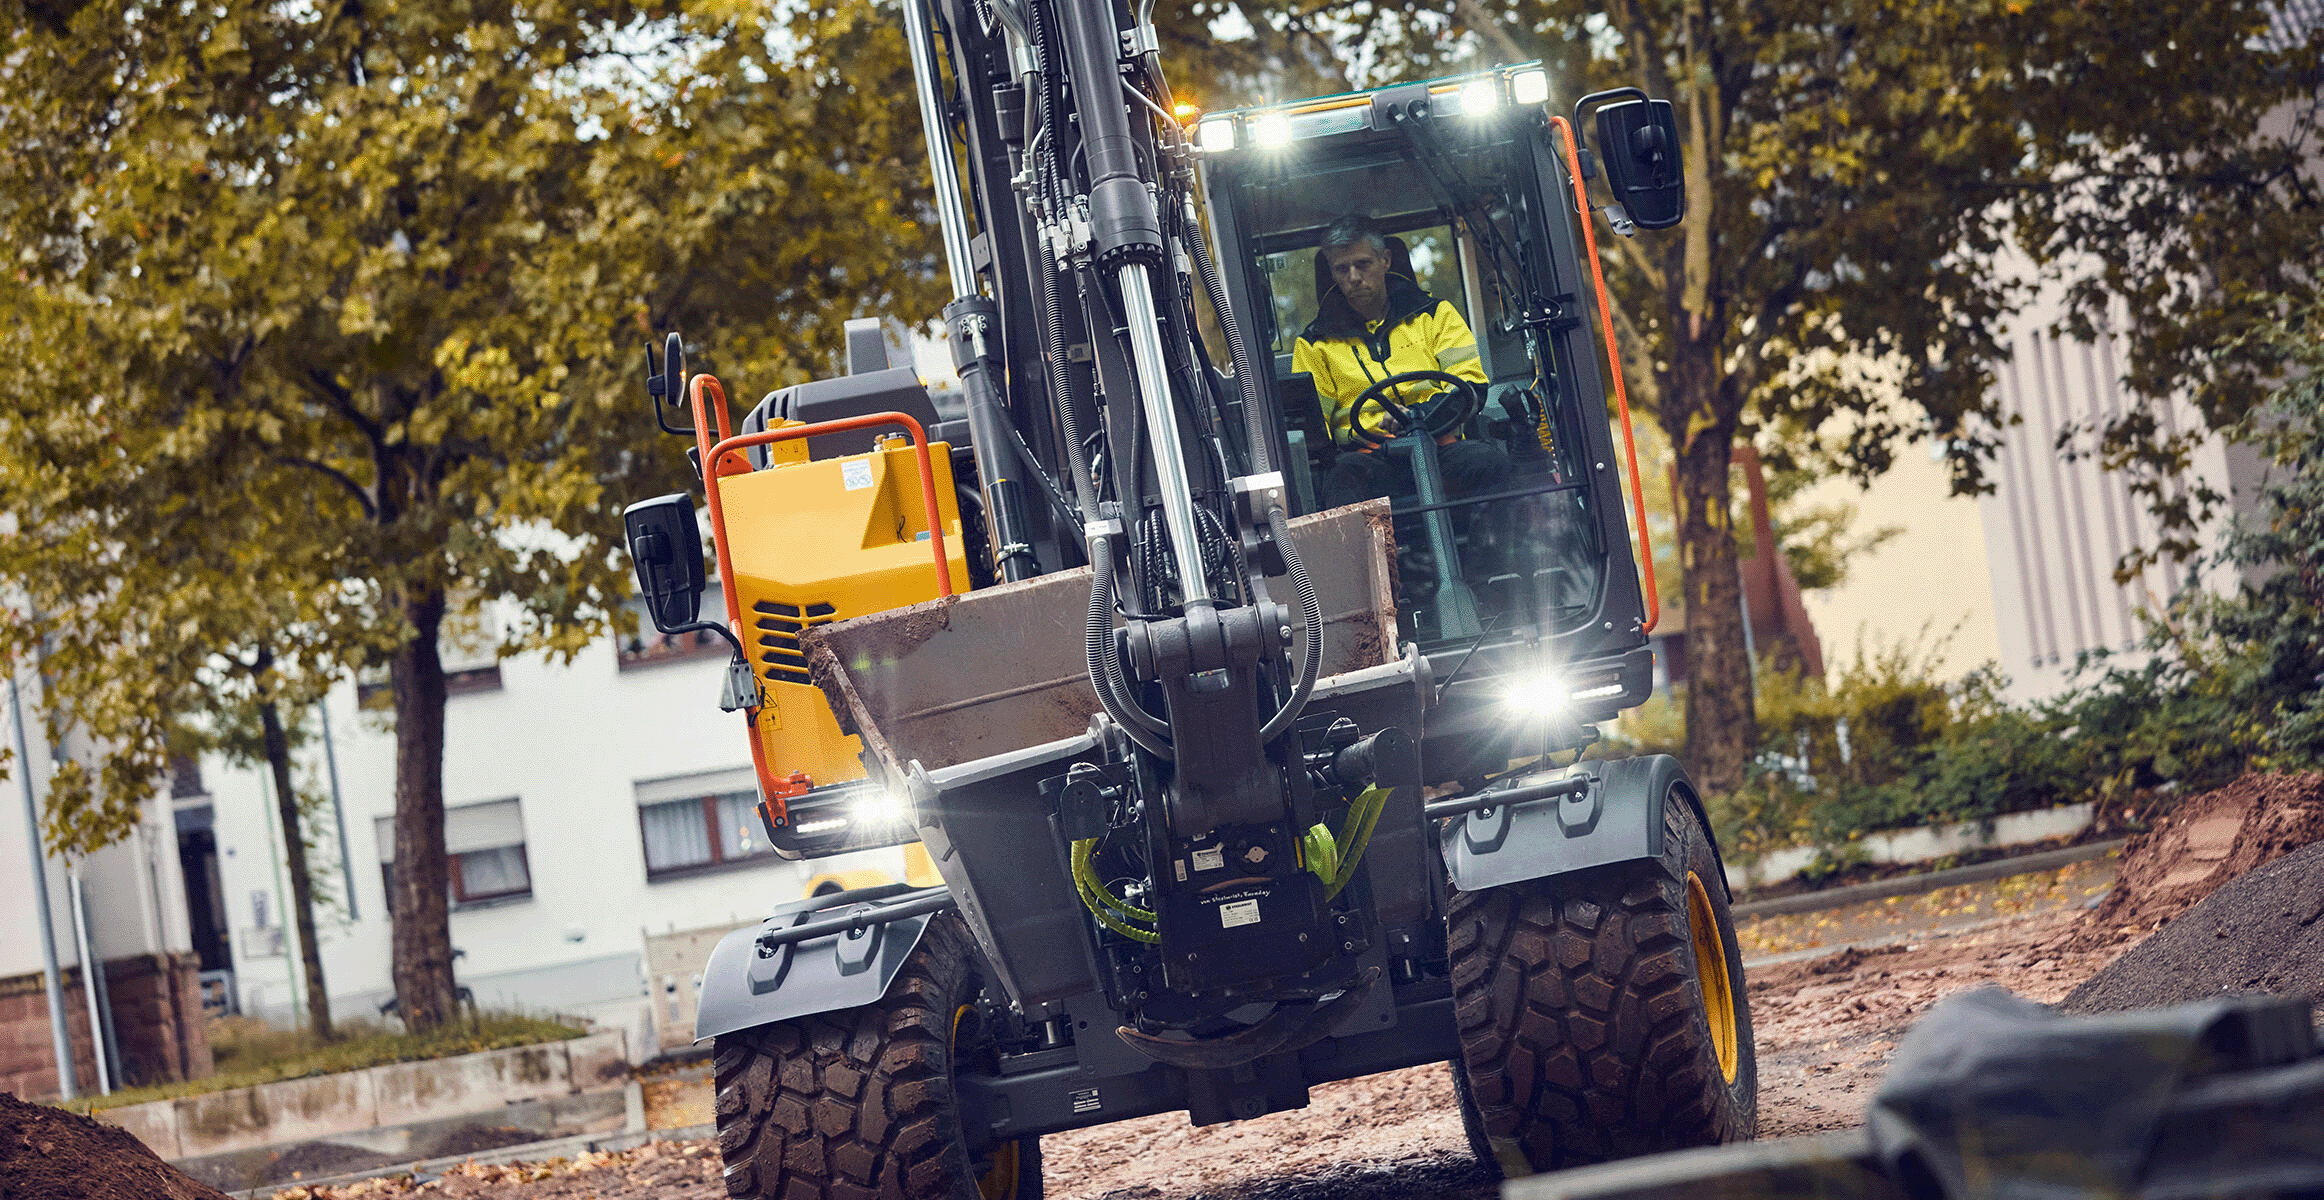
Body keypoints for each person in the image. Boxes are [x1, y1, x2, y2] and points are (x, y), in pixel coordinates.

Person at [1290, 214, 1507, 510]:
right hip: (1368, 461)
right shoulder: (1314, 345)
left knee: (1493, 464)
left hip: (1442, 448)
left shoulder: (1436, 315)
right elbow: (1313, 429)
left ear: (1386, 260)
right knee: (1340, 480)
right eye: (1342, 269)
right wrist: (1354, 436)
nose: (1353, 277)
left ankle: (1490, 556)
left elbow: (1470, 388)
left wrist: (1419, 414)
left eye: (1363, 264)